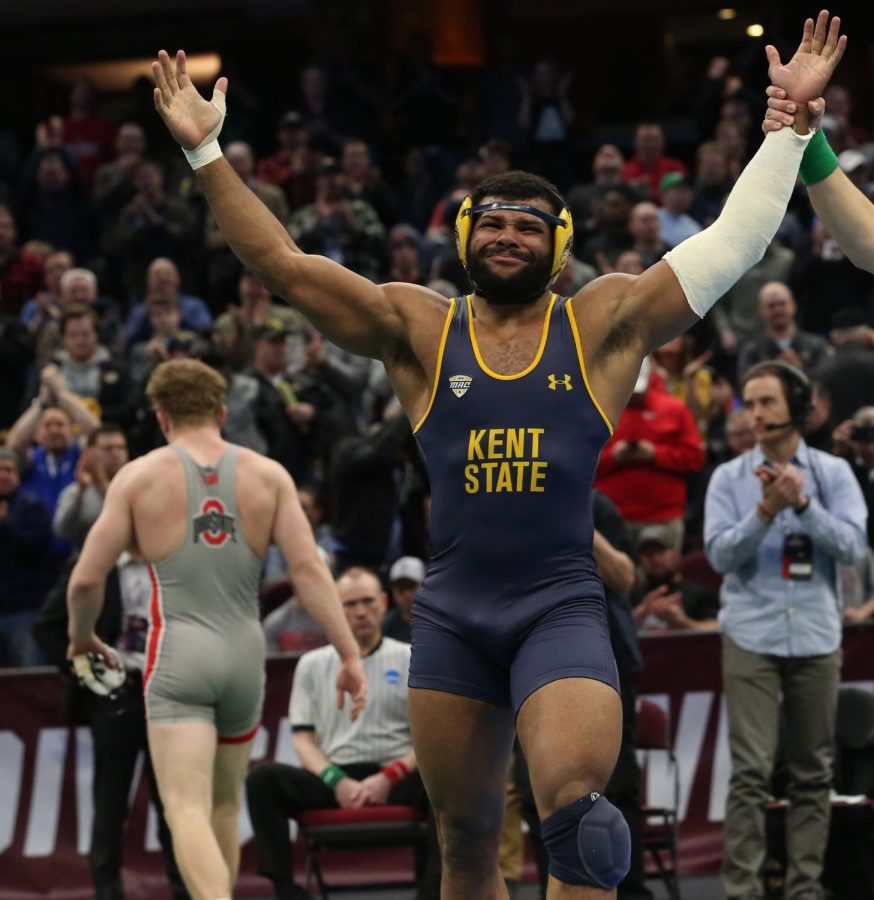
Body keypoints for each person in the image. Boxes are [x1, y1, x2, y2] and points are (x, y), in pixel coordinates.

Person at [150, 16, 844, 895]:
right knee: (468, 839)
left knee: (582, 824)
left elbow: (730, 246)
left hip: (558, 603)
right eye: (494, 225)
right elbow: (284, 265)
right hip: (452, 615)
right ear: (465, 236)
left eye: (529, 228)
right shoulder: (419, 329)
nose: (508, 238)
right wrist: (208, 157)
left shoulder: (600, 323)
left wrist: (788, 131)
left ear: (558, 250)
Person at [66, 358, 367, 900]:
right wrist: (348, 652)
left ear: (161, 418)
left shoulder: (138, 477)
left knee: (185, 808)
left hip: (179, 655)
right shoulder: (269, 475)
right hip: (244, 657)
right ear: (223, 412)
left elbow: (87, 579)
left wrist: (82, 637)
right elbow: (309, 570)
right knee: (224, 804)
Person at [704, 360, 867, 900]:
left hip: (817, 636)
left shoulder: (831, 472)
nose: (756, 414)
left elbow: (852, 547)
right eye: (749, 404)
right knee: (750, 773)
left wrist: (802, 505)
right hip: (752, 634)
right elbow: (720, 555)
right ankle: (742, 891)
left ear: (797, 408)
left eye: (767, 402)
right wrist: (765, 513)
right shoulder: (728, 478)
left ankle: (804, 890)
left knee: (813, 774)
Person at [246, 566, 439, 900]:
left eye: (367, 601)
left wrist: (389, 776)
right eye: (349, 604)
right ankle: (286, 890)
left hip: (397, 774)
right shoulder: (311, 664)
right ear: (334, 608)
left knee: (446, 776)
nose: (360, 612)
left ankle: (434, 889)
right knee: (263, 780)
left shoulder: (410, 658)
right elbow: (303, 741)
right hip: (334, 777)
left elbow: (428, 740)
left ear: (382, 602)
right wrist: (337, 781)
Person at [0, 447, 52, 666]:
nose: (3, 475)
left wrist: (5, 526)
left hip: (23, 608)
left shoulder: (32, 506)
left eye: (8, 469)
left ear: (18, 476)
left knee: (30, 674)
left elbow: (37, 550)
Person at [382, 554, 426, 643]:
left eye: (411, 586)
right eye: (401, 588)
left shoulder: (438, 622)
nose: (406, 594)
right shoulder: (385, 625)